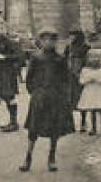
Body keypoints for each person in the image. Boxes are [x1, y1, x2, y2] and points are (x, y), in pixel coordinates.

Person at [20, 25, 75, 173]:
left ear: (55, 42)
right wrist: (35, 92)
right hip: (39, 97)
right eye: (45, 40)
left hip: (56, 98)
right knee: (33, 128)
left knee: (54, 129)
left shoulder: (60, 59)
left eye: (51, 40)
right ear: (40, 41)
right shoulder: (36, 57)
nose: (48, 43)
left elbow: (66, 79)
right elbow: (29, 77)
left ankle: (52, 158)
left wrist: (65, 96)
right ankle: (28, 158)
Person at [0, 17, 24, 131]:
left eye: (1, 27)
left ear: (5, 29)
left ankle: (14, 122)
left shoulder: (9, 41)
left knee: (9, 96)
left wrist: (4, 57)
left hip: (8, 72)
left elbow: (18, 56)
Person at [76, 47, 101, 136]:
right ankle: (93, 128)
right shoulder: (85, 70)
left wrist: (95, 79)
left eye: (97, 57)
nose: (94, 60)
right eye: (92, 57)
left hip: (99, 93)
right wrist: (88, 79)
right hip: (90, 92)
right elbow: (81, 80)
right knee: (92, 111)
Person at [64, 27, 90, 119]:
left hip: (81, 76)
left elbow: (87, 61)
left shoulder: (85, 47)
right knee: (70, 99)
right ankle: (70, 122)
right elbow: (64, 59)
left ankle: (83, 122)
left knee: (82, 99)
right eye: (70, 35)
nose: (71, 37)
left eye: (73, 35)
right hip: (70, 76)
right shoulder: (69, 47)